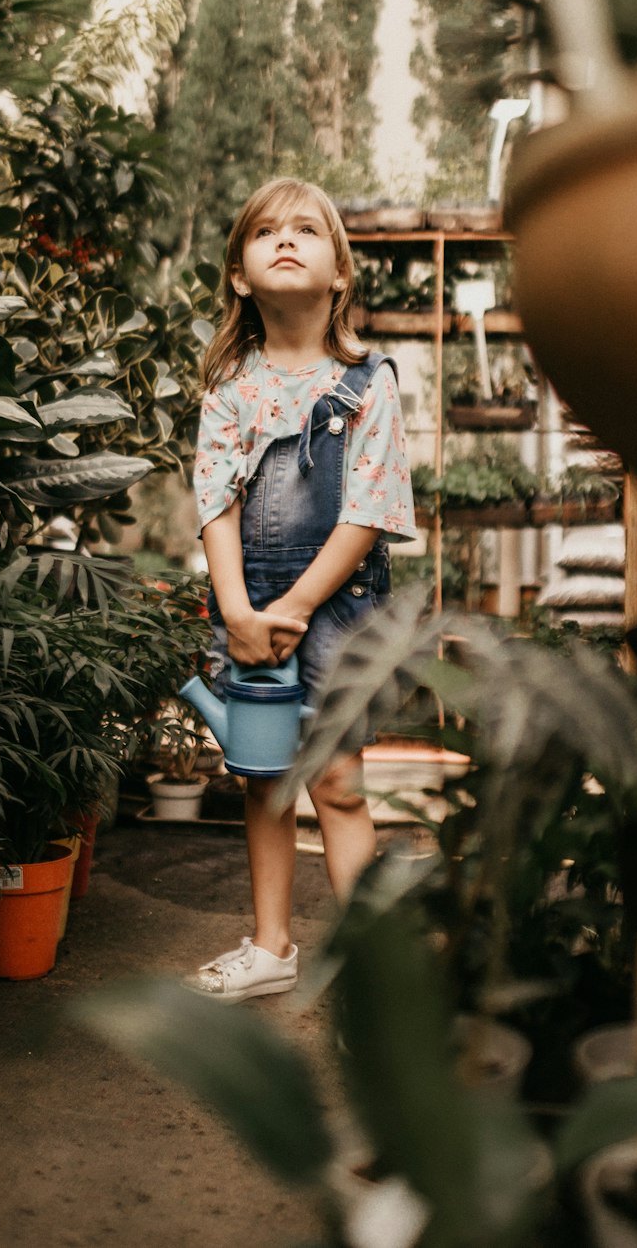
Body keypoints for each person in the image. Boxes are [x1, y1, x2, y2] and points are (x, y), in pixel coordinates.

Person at [187, 177, 417, 1002]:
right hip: (249, 608)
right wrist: (239, 612)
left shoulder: (367, 383)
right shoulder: (229, 386)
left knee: (339, 782)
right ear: (241, 275)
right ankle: (273, 946)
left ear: (340, 274)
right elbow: (216, 501)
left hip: (337, 609)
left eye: (307, 231)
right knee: (265, 779)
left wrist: (291, 608)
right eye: (267, 232)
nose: (287, 239)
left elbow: (370, 511)